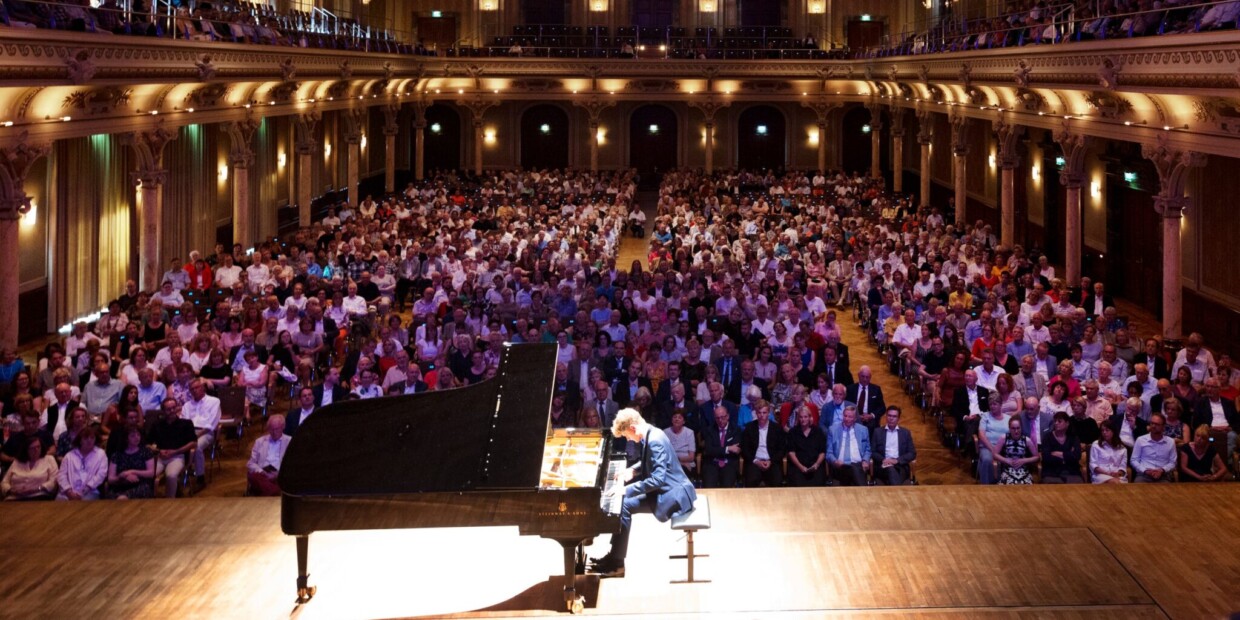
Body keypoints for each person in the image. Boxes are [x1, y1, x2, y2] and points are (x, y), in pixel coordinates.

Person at [588, 408, 696, 578]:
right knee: (622, 504)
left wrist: (626, 489)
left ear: (632, 428)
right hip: (668, 488)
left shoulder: (655, 441)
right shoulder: (652, 433)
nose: (628, 439)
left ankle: (617, 563)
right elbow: (648, 461)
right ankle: (614, 557)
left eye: (626, 436)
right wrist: (632, 471)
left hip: (673, 494)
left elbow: (658, 480)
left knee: (623, 506)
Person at [149, 397, 197, 498]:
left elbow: (193, 443)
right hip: (160, 457)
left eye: (173, 408)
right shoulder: (157, 425)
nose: (172, 411)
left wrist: (175, 451)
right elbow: (147, 443)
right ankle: (149, 499)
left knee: (171, 475)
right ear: (163, 411)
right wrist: (159, 451)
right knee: (148, 475)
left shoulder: (186, 424)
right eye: (168, 409)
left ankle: (170, 500)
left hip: (177, 456)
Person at [740, 400, 785, 487]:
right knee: (751, 480)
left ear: (769, 413)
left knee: (777, 481)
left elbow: (782, 449)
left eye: (764, 412)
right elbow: (745, 448)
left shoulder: (777, 429)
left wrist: (770, 461)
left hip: (772, 462)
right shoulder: (749, 428)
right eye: (759, 412)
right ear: (756, 413)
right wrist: (756, 461)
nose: (762, 415)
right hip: (755, 461)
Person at [56, 426, 107, 500]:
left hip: (90, 491)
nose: (89, 440)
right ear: (80, 440)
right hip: (68, 492)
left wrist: (86, 489)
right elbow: (61, 475)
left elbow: (101, 475)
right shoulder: (69, 455)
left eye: (92, 438)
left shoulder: (101, 454)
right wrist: (69, 491)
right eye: (86, 438)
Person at [106, 425, 156, 499]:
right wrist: (121, 476)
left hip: (141, 485)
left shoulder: (146, 452)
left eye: (138, 435)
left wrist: (132, 472)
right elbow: (110, 479)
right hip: (120, 485)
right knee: (114, 494)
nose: (137, 438)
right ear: (126, 439)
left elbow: (151, 473)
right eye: (133, 436)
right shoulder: (117, 455)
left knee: (125, 496)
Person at [1, 435, 58, 501]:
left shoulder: (49, 459)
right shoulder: (17, 462)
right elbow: (4, 482)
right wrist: (11, 490)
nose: (36, 450)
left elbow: (53, 481)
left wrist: (37, 489)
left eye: (38, 447)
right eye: (32, 448)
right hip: (15, 496)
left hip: (39, 495)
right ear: (26, 450)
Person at [870, 405, 916, 485]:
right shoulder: (877, 432)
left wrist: (896, 460)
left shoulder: (905, 433)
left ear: (898, 418)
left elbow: (912, 453)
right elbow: (872, 451)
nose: (891, 418)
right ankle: (898, 493)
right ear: (886, 417)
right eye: (889, 415)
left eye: (894, 416)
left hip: (900, 466)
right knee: (890, 470)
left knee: (893, 474)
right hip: (882, 466)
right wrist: (883, 460)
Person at [247, 414, 291, 496]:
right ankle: (276, 492)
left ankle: (269, 491)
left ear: (283, 427)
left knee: (287, 478)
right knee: (253, 476)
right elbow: (251, 463)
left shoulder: (290, 441)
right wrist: (262, 472)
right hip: (262, 474)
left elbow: (292, 464)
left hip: (280, 475)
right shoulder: (259, 442)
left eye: (277, 429)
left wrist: (278, 474)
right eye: (271, 429)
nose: (274, 432)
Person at [826, 406, 871, 486]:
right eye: (845, 416)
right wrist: (835, 461)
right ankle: (863, 490)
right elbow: (829, 453)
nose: (847, 419)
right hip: (840, 466)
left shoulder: (863, 430)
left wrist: (865, 460)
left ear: (855, 418)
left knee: (853, 468)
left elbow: (867, 449)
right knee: (852, 469)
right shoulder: (833, 430)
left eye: (850, 417)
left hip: (858, 465)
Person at [700, 404, 741, 488]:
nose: (720, 420)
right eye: (717, 418)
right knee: (709, 485)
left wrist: (717, 450)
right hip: (712, 463)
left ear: (728, 416)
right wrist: (728, 448)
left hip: (729, 463)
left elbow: (736, 450)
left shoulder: (736, 430)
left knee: (727, 485)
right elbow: (709, 450)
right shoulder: (709, 430)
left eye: (723, 417)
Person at [1130, 413, 1177, 483]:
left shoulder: (1170, 442)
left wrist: (1162, 470)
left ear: (1163, 427)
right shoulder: (1140, 440)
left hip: (1163, 475)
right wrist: (1146, 470)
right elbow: (1134, 460)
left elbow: (1173, 462)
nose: (1153, 426)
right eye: (1152, 423)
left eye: (1157, 424)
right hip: (1144, 474)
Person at [1039, 411, 1083, 483]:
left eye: (1059, 421)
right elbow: (1046, 458)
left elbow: (1077, 456)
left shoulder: (1074, 438)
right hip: (1052, 472)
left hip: (1071, 472)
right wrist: (1068, 455)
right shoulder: (1047, 438)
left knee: (1078, 484)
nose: (1056, 423)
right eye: (1055, 421)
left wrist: (1059, 454)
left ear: (1067, 423)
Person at [995, 416, 1038, 485]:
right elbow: (995, 454)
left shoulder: (1027, 440)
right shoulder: (1003, 438)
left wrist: (1024, 460)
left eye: (1018, 428)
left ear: (1021, 428)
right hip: (1008, 470)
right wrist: (1005, 460)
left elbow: (1036, 457)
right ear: (1009, 428)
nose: (1016, 431)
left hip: (1023, 471)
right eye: (1013, 428)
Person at [663, 410, 696, 477]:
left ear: (684, 421)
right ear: (671, 420)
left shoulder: (689, 433)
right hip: (669, 463)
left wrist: (679, 461)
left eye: (679, 417)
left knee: (680, 471)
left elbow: (691, 457)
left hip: (687, 463)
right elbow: (664, 454)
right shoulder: (665, 432)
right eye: (675, 417)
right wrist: (680, 463)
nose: (677, 419)